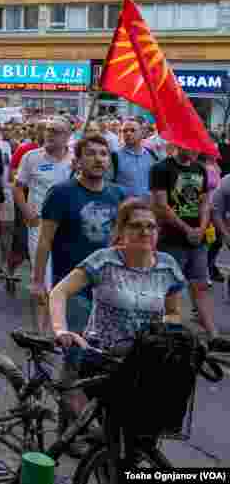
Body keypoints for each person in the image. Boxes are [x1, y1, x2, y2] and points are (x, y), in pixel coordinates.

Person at [33, 136, 126, 376]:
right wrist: (37, 282)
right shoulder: (61, 193)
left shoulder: (118, 194)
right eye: (91, 153)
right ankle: (68, 411)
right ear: (78, 160)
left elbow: (120, 241)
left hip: (107, 289)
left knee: (102, 359)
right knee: (74, 359)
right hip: (71, 288)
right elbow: (44, 240)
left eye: (103, 154)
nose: (98, 159)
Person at [50, 198, 185, 352]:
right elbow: (59, 292)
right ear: (121, 230)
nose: (145, 232)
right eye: (136, 226)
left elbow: (172, 312)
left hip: (146, 358)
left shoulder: (168, 266)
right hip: (100, 356)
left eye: (151, 226)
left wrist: (166, 333)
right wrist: (61, 330)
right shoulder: (104, 260)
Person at [150, 143, 218, 337]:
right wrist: (187, 229)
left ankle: (211, 331)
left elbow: (204, 203)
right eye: (190, 145)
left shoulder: (200, 169)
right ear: (178, 144)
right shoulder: (161, 168)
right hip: (170, 238)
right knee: (169, 286)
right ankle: (169, 329)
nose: (195, 149)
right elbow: (162, 205)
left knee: (200, 283)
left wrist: (201, 228)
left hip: (197, 238)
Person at [15, 116, 74, 288]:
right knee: (42, 276)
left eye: (55, 131)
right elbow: (18, 187)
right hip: (39, 223)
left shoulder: (76, 160)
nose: (49, 134)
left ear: (67, 136)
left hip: (67, 225)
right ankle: (44, 310)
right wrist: (26, 211)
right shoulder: (31, 157)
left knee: (65, 275)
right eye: (48, 130)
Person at [112, 118, 158, 199]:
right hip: (125, 207)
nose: (128, 133)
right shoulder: (115, 156)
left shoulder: (151, 154)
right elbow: (108, 184)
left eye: (133, 130)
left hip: (148, 207)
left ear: (141, 133)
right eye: (125, 131)